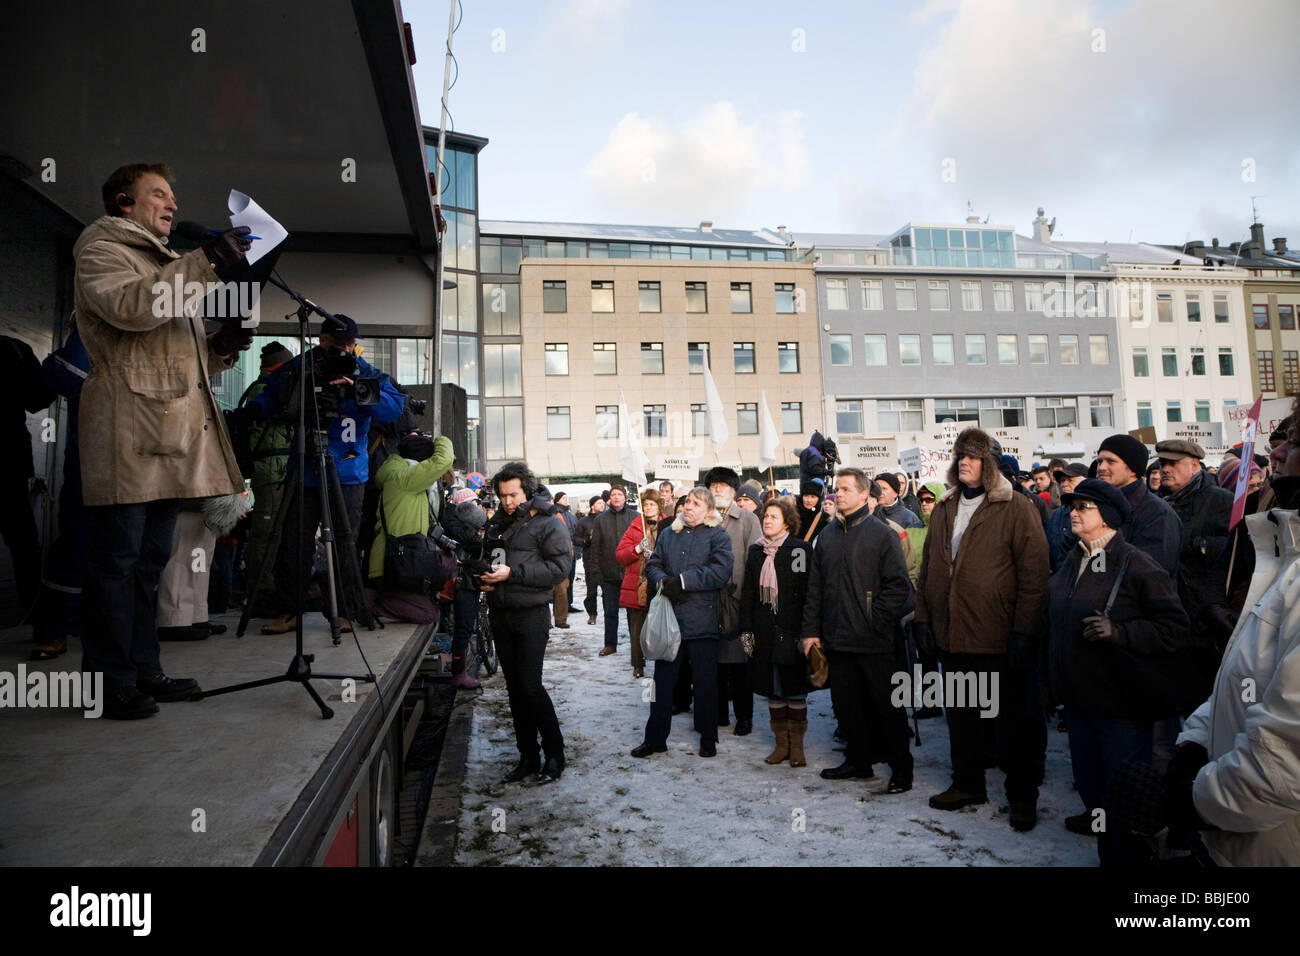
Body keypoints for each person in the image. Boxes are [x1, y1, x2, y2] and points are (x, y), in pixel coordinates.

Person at [74, 163, 253, 719]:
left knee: (151, 560)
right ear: (125, 201)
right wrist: (207, 263)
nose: (172, 204)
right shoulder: (101, 247)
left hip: (166, 435)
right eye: (160, 195)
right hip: (128, 430)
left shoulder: (166, 261)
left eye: (173, 196)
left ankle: (144, 668)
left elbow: (173, 347)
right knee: (117, 561)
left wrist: (220, 345)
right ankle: (107, 683)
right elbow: (132, 309)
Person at [1164, 417, 1300, 866]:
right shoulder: (1280, 547)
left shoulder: (1230, 508)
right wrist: (1197, 744)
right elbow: (1247, 679)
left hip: (1271, 841)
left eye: (1293, 443)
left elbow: (1284, 766)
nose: (1273, 453)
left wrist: (1193, 802)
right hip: (1239, 839)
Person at [1047, 479, 1193, 862]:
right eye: (1072, 506)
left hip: (1122, 707)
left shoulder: (1137, 564)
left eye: (1084, 507)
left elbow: (1175, 629)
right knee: (1094, 793)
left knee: (1125, 799)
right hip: (1080, 702)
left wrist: (1121, 632)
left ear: (1108, 516)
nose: (1073, 513)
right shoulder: (1073, 559)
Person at [914, 428, 1049, 830]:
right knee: (961, 716)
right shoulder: (945, 506)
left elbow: (1035, 575)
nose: (966, 463)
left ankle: (1022, 797)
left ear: (990, 463)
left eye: (974, 457)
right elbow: (929, 572)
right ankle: (968, 783)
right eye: (961, 457)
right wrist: (924, 618)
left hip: (999, 636)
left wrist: (1025, 631)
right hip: (954, 634)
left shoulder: (1015, 506)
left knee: (1013, 724)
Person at [249, 314, 405, 634]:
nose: (345, 350)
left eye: (350, 344)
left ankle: (346, 609)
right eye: (337, 344)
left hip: (347, 474)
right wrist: (255, 410)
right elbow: (270, 395)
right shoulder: (300, 366)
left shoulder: (366, 371)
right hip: (305, 467)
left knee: (346, 543)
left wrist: (358, 387)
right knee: (295, 541)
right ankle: (289, 609)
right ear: (321, 341)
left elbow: (394, 408)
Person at [801, 468, 913, 793]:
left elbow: (898, 587)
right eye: (838, 489)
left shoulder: (883, 535)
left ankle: (901, 769)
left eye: (847, 489)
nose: (840, 494)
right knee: (847, 706)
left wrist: (874, 620)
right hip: (837, 639)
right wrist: (811, 631)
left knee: (887, 707)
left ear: (865, 495)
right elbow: (816, 589)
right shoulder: (829, 536)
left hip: (874, 641)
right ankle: (858, 761)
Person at [481, 461, 571, 783]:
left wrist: (513, 574)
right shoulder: (496, 523)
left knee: (530, 687)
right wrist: (486, 579)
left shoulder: (547, 521)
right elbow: (495, 561)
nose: (508, 501)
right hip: (501, 612)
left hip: (532, 614)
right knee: (514, 690)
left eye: (513, 494)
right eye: (503, 495)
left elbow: (560, 568)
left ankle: (555, 755)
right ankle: (528, 757)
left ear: (527, 491)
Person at [633, 486, 732, 758]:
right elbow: (653, 564)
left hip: (703, 623)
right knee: (661, 685)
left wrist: (685, 581)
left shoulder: (718, 535)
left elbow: (721, 571)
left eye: (697, 503)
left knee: (705, 685)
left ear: (709, 511)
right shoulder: (669, 533)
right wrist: (663, 581)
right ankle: (655, 739)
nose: (689, 507)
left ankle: (708, 736)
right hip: (670, 622)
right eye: (688, 502)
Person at [740, 497, 814, 767]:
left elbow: (805, 593)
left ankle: (797, 747)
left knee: (794, 689)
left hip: (791, 632)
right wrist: (747, 628)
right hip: (764, 632)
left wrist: (806, 631)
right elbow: (748, 592)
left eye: (773, 516)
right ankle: (781, 745)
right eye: (766, 516)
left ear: (787, 522)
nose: (767, 520)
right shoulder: (756, 551)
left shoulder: (798, 550)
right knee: (772, 689)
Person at [1057, 435, 1180, 580]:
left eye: (1111, 461)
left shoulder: (1158, 515)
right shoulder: (1089, 508)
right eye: (1100, 461)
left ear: (1133, 469)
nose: (1101, 467)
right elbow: (1066, 561)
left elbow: (1151, 574)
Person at [366, 433, 455, 625]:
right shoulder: (404, 478)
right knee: (429, 615)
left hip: (397, 558)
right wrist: (441, 438)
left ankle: (371, 599)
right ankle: (369, 605)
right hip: (395, 561)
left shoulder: (396, 475)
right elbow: (444, 459)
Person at [237, 341, 295, 616]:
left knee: (275, 534)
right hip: (272, 469)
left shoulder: (270, 389)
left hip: (277, 468)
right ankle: (261, 594)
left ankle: (270, 590)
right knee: (266, 535)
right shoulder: (265, 392)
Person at [0, 335, 55, 623]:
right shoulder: (13, 349)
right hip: (8, 462)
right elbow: (37, 399)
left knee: (24, 545)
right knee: (23, 545)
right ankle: (38, 621)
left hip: (10, 463)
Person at [706, 466, 763, 736]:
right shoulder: (703, 518)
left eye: (724, 486)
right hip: (709, 603)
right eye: (714, 486)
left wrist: (750, 598)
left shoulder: (748, 519)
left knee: (743, 664)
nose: (718, 490)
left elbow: (756, 561)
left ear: (733, 491)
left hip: (741, 602)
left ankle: (744, 717)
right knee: (713, 664)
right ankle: (718, 714)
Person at [1155, 439, 1232, 628]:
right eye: (1163, 463)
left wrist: (1199, 545)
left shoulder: (1220, 500)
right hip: (1165, 608)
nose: (1165, 469)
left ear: (1194, 465)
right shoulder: (1156, 503)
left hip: (1202, 612)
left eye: (1173, 464)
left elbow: (1234, 548)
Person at [615, 490, 665, 679]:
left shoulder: (668, 524)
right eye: (645, 505)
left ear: (659, 506)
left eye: (652, 504)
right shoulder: (636, 526)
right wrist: (637, 549)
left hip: (660, 582)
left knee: (662, 625)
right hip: (638, 584)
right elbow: (620, 554)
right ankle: (638, 664)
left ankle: (663, 661)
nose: (648, 508)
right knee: (637, 628)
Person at [590, 485, 636, 656]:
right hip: (608, 574)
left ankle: (636, 646)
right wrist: (596, 572)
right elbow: (595, 548)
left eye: (619, 494)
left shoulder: (635, 517)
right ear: (609, 498)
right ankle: (610, 644)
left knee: (634, 613)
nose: (616, 497)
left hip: (630, 572)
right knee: (610, 611)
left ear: (625, 497)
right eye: (613, 495)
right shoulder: (601, 519)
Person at [1046, 462, 1090, 574]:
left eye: (1070, 480)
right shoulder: (1055, 515)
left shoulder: (1097, 514)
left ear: (1087, 481)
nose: (1064, 484)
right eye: (1062, 481)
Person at [574, 496, 605, 624]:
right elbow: (575, 539)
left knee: (607, 591)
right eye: (599, 503)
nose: (602, 505)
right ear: (592, 505)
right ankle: (592, 614)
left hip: (606, 560)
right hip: (590, 560)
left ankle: (609, 613)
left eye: (603, 503)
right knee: (591, 590)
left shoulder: (606, 519)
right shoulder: (583, 521)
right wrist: (587, 540)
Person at [552, 492, 580, 616]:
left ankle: (569, 603)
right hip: (562, 551)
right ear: (557, 500)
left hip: (572, 550)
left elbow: (575, 529)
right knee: (563, 580)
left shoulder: (570, 514)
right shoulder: (555, 514)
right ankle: (560, 606)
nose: (566, 500)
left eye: (566, 498)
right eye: (563, 498)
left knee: (571, 577)